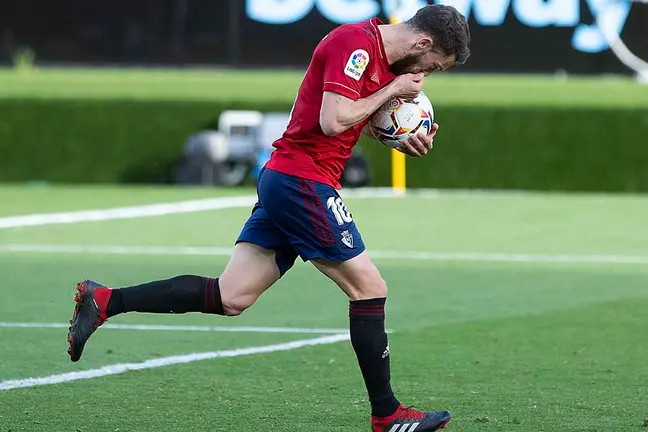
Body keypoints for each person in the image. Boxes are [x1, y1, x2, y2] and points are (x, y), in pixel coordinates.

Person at [67, 5, 471, 431]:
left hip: (291, 180)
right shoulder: (355, 44)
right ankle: (387, 415)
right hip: (303, 182)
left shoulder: (375, 57)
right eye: (434, 66)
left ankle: (106, 301)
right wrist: (392, 92)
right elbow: (332, 121)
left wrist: (396, 134)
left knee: (231, 297)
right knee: (369, 288)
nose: (426, 76)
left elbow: (349, 120)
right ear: (423, 44)